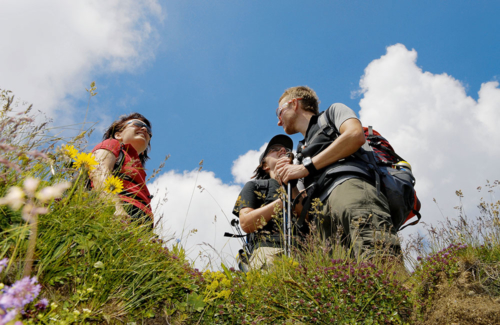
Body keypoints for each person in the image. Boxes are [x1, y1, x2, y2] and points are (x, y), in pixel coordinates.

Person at [274, 86, 400, 258]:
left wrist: (305, 168)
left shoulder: (333, 113)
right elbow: (303, 213)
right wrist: (289, 183)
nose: (279, 122)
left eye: (279, 113)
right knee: (345, 280)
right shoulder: (299, 153)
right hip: (322, 218)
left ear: (294, 104)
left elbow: (355, 135)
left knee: (377, 257)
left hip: (350, 187)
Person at [232, 135, 300, 270]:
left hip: (304, 254)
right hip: (268, 250)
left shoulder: (300, 185)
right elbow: (246, 223)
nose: (282, 150)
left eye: (285, 149)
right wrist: (283, 202)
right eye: (274, 149)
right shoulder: (255, 186)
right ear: (264, 165)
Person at [90, 113, 154, 224]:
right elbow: (98, 170)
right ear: (118, 135)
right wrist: (116, 208)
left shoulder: (140, 171)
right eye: (137, 124)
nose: (144, 129)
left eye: (149, 131)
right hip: (116, 213)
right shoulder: (112, 144)